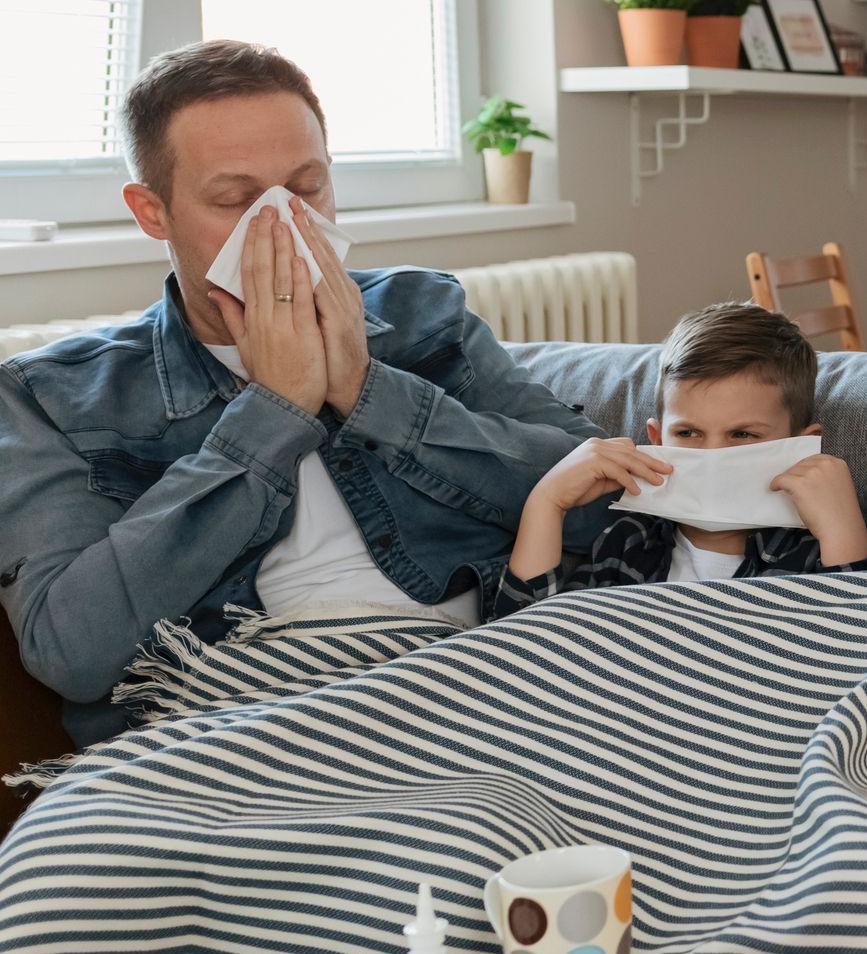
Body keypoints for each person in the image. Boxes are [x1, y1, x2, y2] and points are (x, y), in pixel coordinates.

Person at [0, 40, 608, 747]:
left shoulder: (422, 313)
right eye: (234, 198)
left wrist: (366, 387)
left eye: (308, 187)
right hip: (239, 729)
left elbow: (602, 504)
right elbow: (72, 652)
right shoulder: (51, 398)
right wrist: (272, 413)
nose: (282, 223)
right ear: (152, 212)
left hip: (477, 688)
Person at [501, 302, 867, 599]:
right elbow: (530, 641)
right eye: (689, 432)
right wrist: (547, 504)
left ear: (801, 446)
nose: (713, 456)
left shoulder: (817, 549)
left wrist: (844, 533)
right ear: (658, 439)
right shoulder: (627, 541)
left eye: (742, 434)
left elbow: (863, 653)